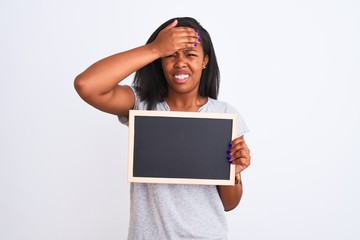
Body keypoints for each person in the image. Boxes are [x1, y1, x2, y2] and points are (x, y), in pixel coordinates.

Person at [74, 17, 251, 240]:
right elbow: (86, 85)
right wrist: (155, 48)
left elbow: (229, 204)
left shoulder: (224, 114)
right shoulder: (142, 104)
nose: (180, 63)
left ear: (205, 60)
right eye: (171, 54)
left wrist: (234, 175)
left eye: (190, 54)